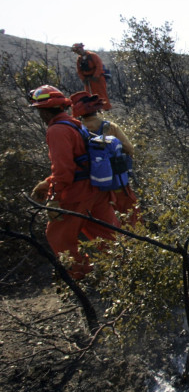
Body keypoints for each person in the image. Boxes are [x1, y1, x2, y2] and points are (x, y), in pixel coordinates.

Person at [28, 85, 119, 279]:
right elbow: (80, 162)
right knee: (109, 236)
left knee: (58, 236)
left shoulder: (57, 131)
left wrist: (55, 198)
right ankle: (131, 271)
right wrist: (46, 182)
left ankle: (81, 276)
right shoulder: (75, 124)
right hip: (97, 189)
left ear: (44, 110)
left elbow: (64, 172)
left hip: (77, 194)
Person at [70, 91, 141, 227]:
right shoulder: (110, 127)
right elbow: (129, 149)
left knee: (106, 223)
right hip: (117, 182)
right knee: (132, 215)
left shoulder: (77, 131)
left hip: (93, 186)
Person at [71, 43, 112, 111]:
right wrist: (83, 79)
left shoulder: (92, 55)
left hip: (98, 79)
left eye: (78, 49)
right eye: (76, 51)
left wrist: (96, 76)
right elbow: (79, 71)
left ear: (82, 48)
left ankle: (106, 109)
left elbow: (99, 66)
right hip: (88, 80)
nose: (78, 51)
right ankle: (96, 110)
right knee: (90, 96)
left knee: (101, 94)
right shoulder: (79, 59)